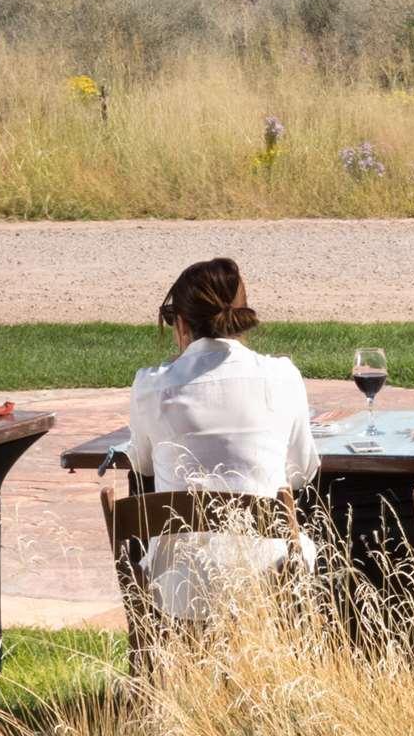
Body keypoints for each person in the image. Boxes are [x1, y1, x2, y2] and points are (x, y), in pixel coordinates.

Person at [120, 257, 317, 624]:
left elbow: (142, 464)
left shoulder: (152, 385)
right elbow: (302, 471)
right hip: (269, 575)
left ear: (180, 322)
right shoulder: (282, 376)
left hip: (180, 583)